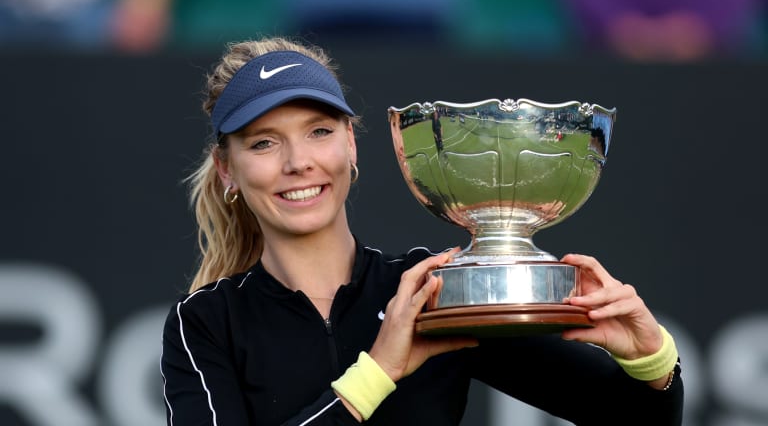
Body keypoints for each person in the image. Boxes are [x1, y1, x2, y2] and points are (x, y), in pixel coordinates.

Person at [160, 36, 684, 425]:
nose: (298, 162)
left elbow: (637, 420)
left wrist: (649, 357)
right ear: (227, 169)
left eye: (318, 132)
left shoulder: (432, 291)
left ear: (350, 145)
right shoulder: (205, 323)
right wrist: (378, 371)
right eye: (264, 143)